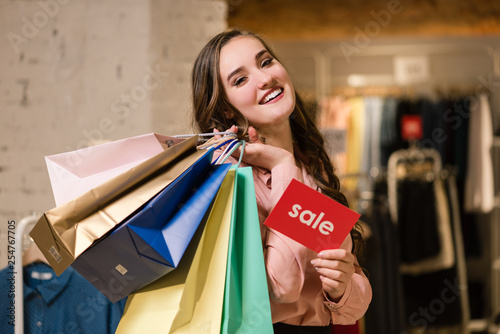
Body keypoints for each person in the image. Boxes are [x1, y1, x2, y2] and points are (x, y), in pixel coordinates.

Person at [191, 28, 372, 334]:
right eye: (240, 79)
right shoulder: (232, 179)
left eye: (265, 62)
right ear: (225, 108)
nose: (265, 79)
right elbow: (280, 288)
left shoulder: (311, 166)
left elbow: (354, 297)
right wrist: (281, 164)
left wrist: (341, 289)